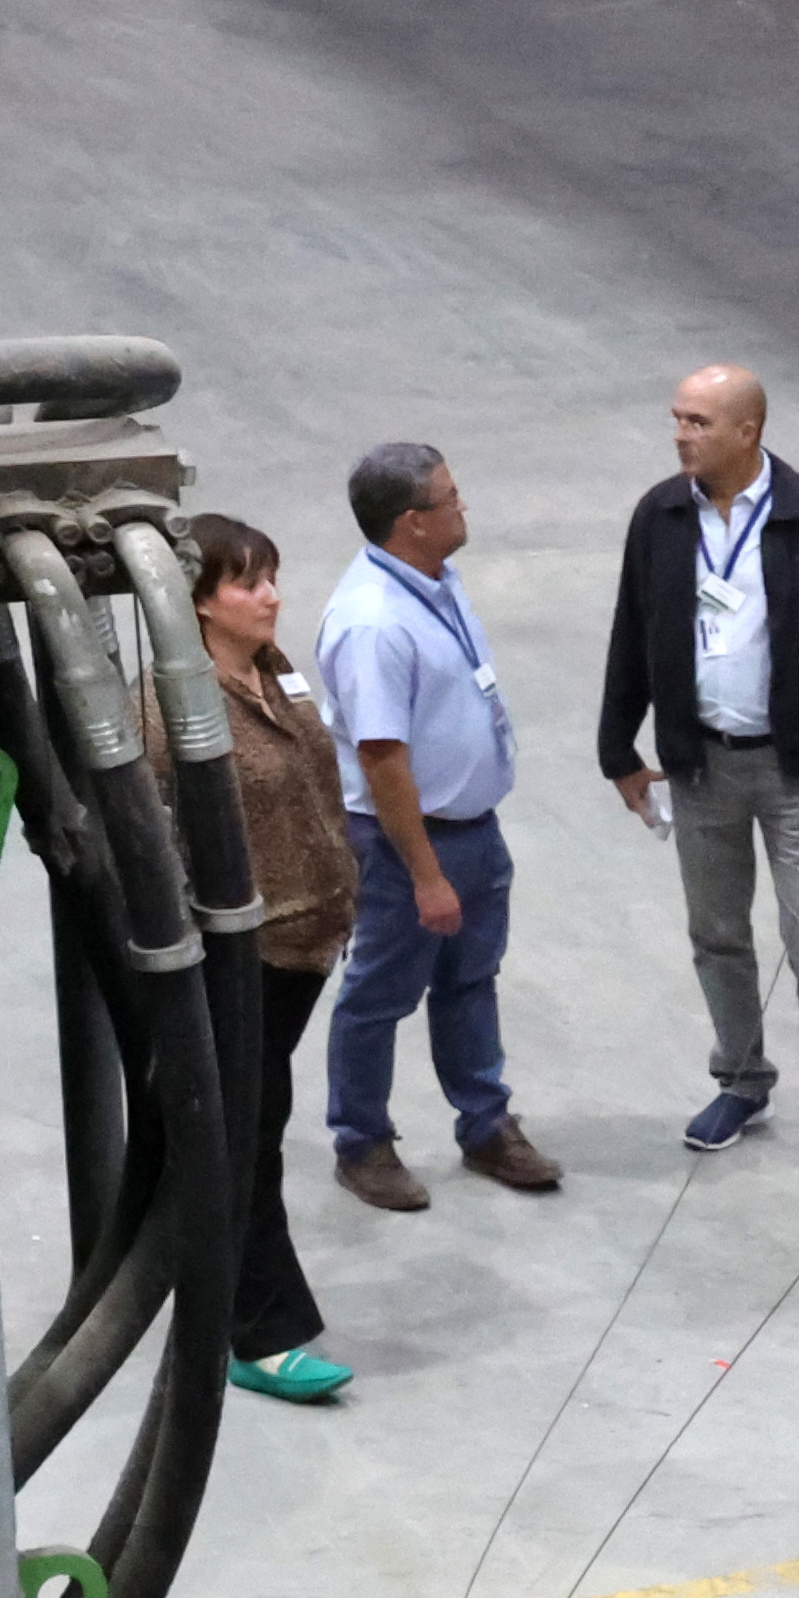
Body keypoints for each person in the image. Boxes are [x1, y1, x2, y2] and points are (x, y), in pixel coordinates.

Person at [598, 362, 799, 1175]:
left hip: (798, 768)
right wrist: (618, 747)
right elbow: (633, 629)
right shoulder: (659, 515)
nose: (680, 434)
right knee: (717, 933)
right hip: (701, 767)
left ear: (748, 431)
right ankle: (741, 1078)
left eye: (698, 421)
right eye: (678, 419)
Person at [318, 440, 556, 1207]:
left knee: (469, 983)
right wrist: (425, 874)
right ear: (411, 521)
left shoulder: (435, 580)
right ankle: (362, 1142)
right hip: (406, 844)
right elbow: (385, 761)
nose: (464, 507)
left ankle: (485, 1124)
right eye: (451, 498)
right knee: (379, 995)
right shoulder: (374, 623)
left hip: (472, 829)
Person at [185, 513, 357, 1405]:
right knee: (245, 1138)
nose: (271, 596)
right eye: (249, 583)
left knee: (257, 1126)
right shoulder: (168, 702)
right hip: (244, 953)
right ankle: (259, 1332)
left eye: (273, 577)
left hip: (304, 945)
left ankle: (249, 1311)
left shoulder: (271, 670)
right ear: (201, 600)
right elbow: (155, 836)